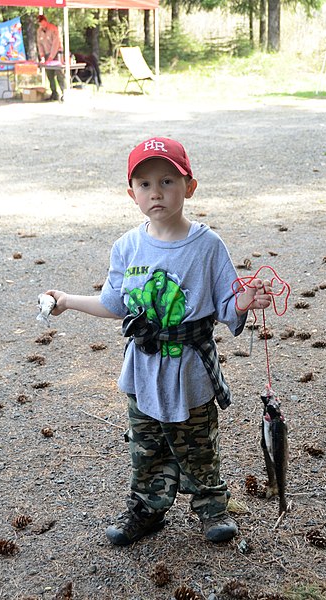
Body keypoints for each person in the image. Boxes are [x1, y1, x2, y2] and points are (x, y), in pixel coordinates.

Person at [45, 137, 272, 546]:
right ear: (131, 193)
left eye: (167, 181)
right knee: (146, 445)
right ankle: (147, 508)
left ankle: (211, 506)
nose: (156, 192)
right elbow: (115, 303)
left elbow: (226, 305)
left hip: (189, 369)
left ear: (190, 187)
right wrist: (68, 301)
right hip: (143, 368)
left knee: (198, 444)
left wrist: (245, 299)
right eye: (145, 184)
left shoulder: (207, 245)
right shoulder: (127, 246)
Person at [36, 14, 65, 102]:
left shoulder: (53, 29)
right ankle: (54, 93)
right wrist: (42, 56)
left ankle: (64, 92)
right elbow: (39, 44)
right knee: (50, 75)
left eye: (43, 23)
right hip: (46, 54)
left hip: (56, 54)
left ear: (46, 21)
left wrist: (51, 57)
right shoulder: (39, 31)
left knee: (59, 73)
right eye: (40, 24)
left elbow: (56, 44)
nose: (42, 25)